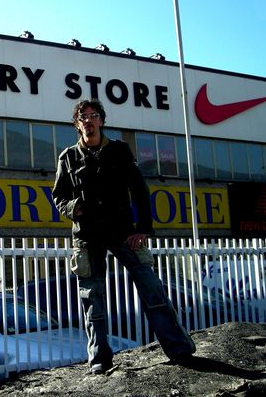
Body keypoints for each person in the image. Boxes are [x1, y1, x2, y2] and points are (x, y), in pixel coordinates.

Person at [52, 98, 195, 374]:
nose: (89, 121)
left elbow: (139, 189)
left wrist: (143, 228)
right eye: (83, 117)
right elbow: (58, 195)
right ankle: (99, 360)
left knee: (152, 288)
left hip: (123, 231)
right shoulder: (67, 157)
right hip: (87, 235)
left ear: (101, 121)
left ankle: (179, 348)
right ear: (77, 124)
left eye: (94, 115)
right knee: (92, 298)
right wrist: (73, 207)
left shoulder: (119, 150)